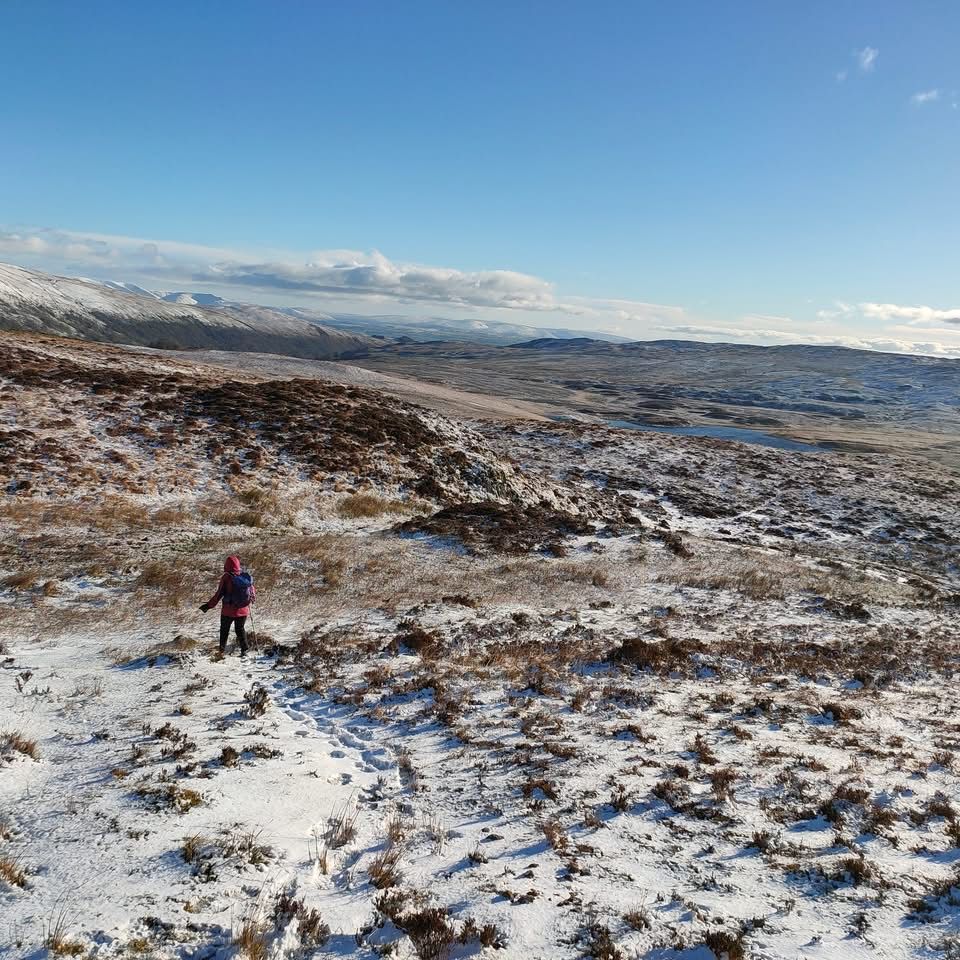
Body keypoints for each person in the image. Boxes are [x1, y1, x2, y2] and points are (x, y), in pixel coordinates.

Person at [200, 555, 255, 657]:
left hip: (228, 611)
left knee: (224, 630)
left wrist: (208, 606)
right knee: (240, 629)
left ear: (226, 566)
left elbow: (218, 594)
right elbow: (252, 593)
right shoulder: (245, 577)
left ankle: (221, 650)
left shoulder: (226, 578)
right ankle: (245, 649)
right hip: (243, 610)